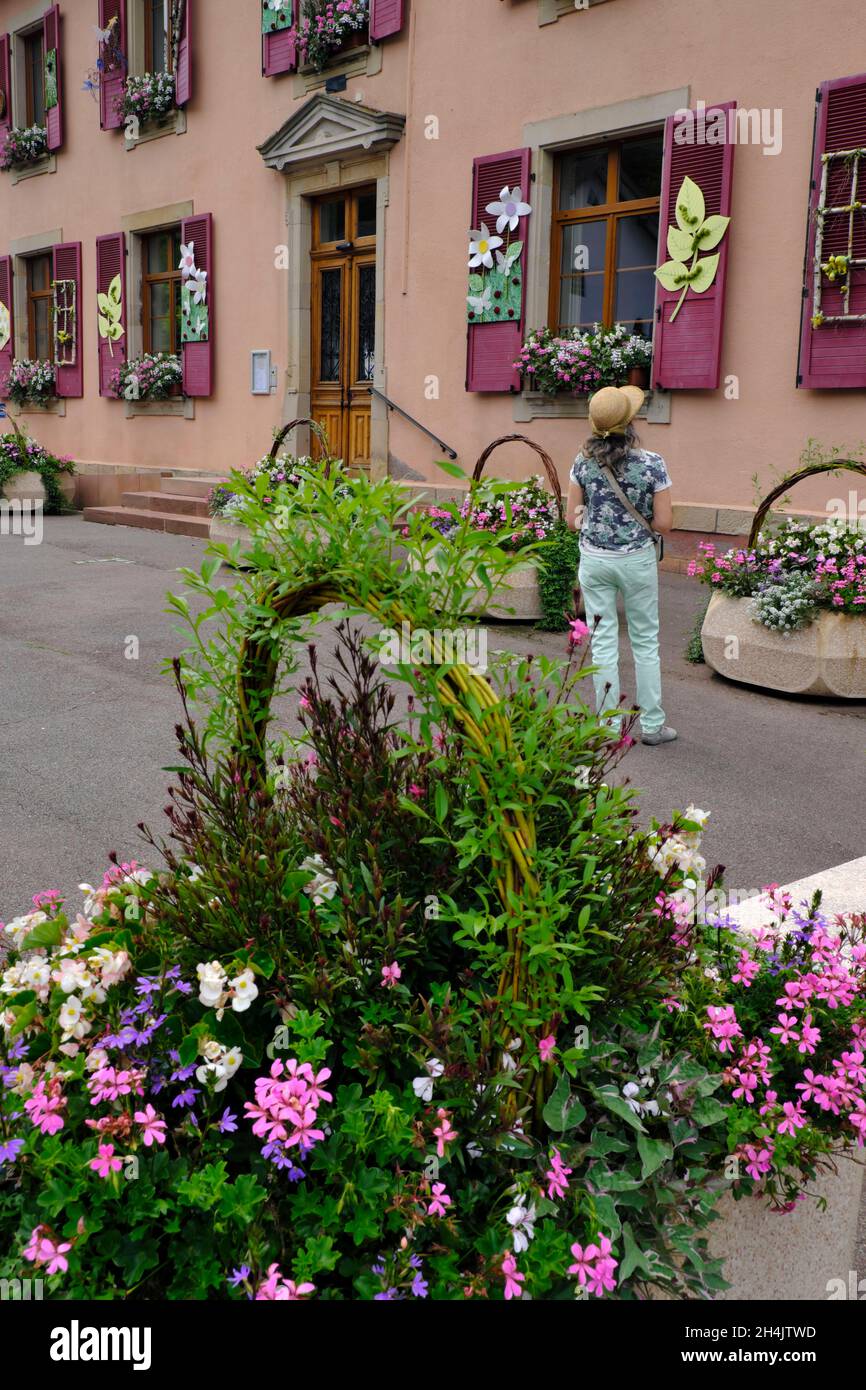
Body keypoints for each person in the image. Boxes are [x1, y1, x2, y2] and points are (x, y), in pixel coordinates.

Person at [566, 385, 676, 746]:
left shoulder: (582, 462)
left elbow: (572, 521)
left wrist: (600, 524)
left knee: (603, 643)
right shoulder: (652, 463)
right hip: (636, 560)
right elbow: (663, 524)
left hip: (595, 559)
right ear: (630, 422)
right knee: (645, 641)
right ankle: (652, 726)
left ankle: (608, 727)